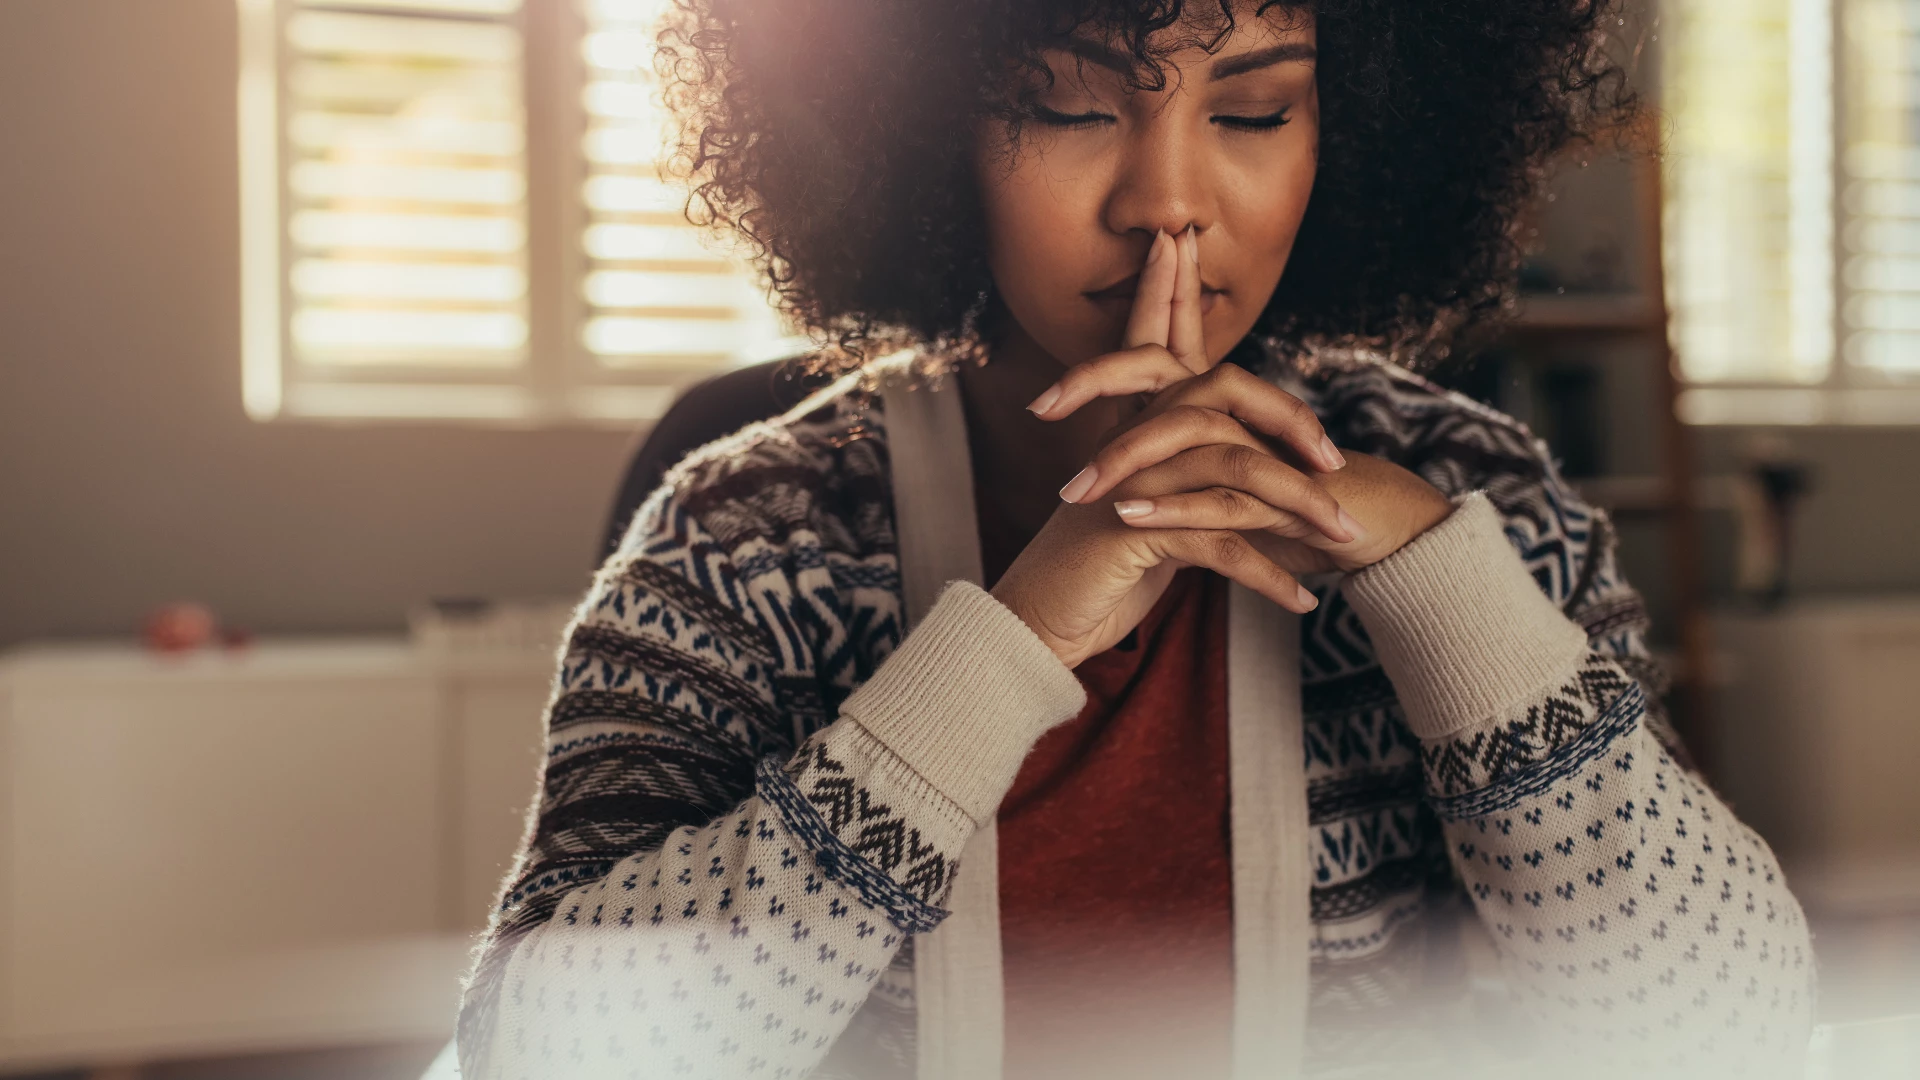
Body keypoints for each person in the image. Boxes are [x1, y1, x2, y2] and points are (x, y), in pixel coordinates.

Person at [456, 1, 1814, 1077]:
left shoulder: (1475, 495)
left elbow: (1725, 1034)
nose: (1168, 200)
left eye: (1256, 108)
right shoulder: (757, 540)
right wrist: (1012, 645)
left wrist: (1443, 594)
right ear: (919, 126)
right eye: (1066, 105)